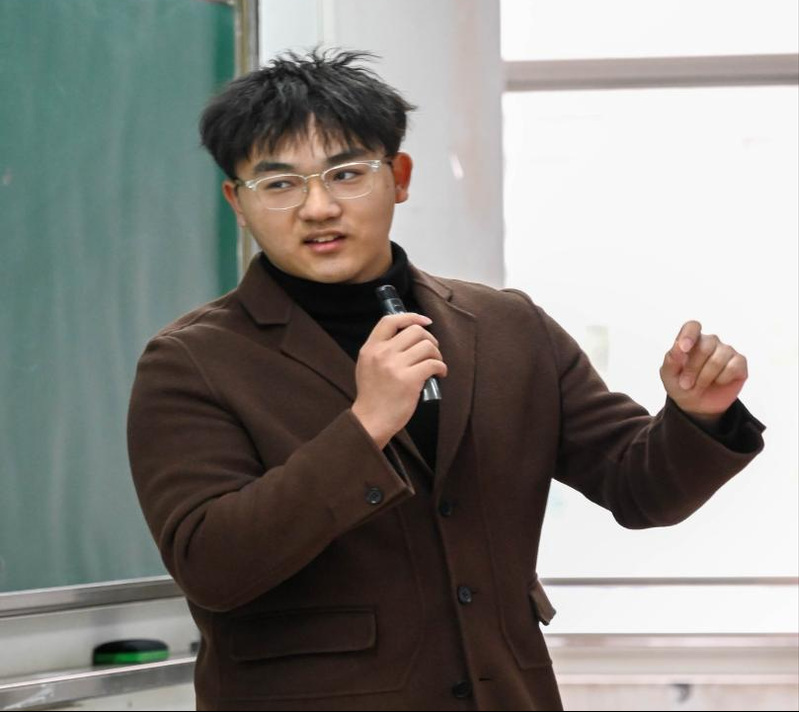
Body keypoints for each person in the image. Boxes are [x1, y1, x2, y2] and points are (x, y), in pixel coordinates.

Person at [127, 49, 765, 711]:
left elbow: (641, 491)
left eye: (346, 174)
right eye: (280, 184)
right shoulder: (192, 361)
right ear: (237, 201)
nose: (317, 207)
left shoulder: (507, 327)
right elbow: (213, 566)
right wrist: (365, 426)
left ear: (399, 177)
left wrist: (697, 416)